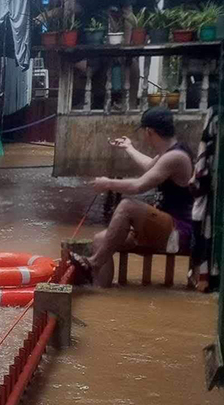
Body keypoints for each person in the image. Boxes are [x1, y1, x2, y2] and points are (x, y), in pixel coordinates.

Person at [71, 107, 194, 287]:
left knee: (127, 206)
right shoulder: (168, 153)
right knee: (99, 240)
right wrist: (129, 148)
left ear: (149, 132)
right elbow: (148, 167)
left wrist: (107, 183)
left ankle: (93, 263)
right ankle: (100, 293)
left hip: (177, 232)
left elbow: (138, 186)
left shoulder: (175, 156)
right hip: (160, 227)